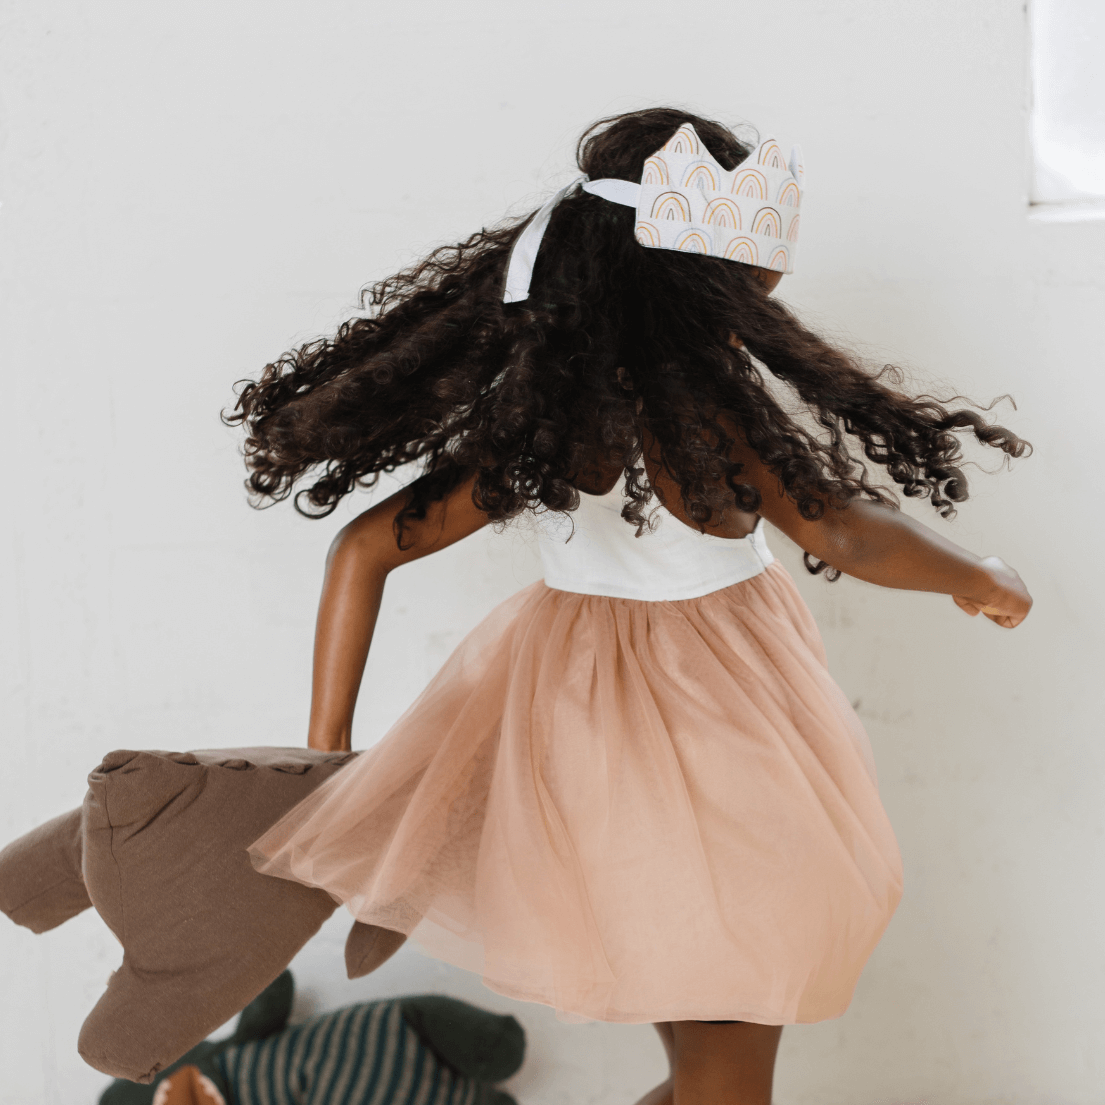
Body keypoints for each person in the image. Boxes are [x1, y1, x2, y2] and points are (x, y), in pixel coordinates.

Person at [229, 108, 1032, 1105]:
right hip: (718, 755)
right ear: (704, 274)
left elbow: (359, 551)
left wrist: (329, 756)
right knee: (724, 1075)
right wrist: (978, 575)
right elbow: (841, 530)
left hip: (590, 771)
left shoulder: (547, 418)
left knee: (707, 1070)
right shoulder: (705, 414)